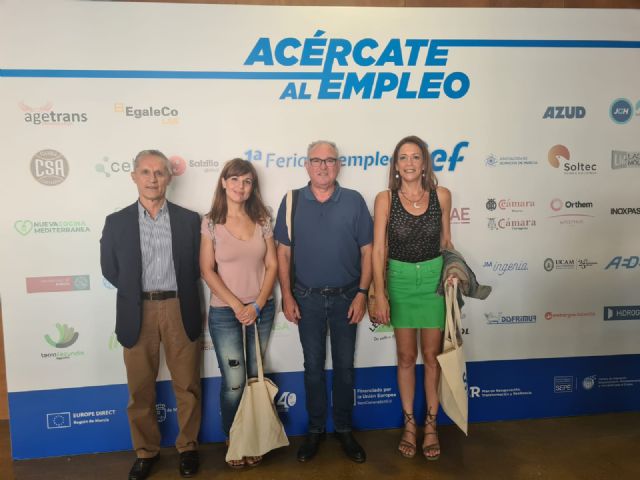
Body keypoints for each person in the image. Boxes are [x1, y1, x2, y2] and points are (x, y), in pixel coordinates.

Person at [100, 150, 202, 480]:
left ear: (169, 178)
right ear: (134, 176)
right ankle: (146, 452)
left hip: (179, 307)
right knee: (140, 388)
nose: (153, 178)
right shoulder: (116, 222)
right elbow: (110, 269)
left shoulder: (190, 220)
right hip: (137, 310)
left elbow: (197, 267)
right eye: (145, 172)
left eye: (159, 172)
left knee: (187, 384)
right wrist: (136, 291)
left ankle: (188, 447)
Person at [274, 140, 373, 464]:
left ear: (338, 165)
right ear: (307, 165)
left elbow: (368, 252)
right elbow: (283, 253)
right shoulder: (291, 201)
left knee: (344, 368)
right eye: (316, 160)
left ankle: (343, 429)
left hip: (347, 297)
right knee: (313, 369)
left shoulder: (354, 201)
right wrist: (287, 295)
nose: (323, 166)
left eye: (329, 160)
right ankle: (315, 430)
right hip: (307, 299)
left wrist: (362, 293)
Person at [371, 135, 453, 461]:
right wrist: (380, 294)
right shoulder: (385, 199)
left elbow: (446, 242)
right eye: (403, 157)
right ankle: (409, 425)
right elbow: (379, 250)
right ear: (396, 164)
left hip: (433, 281)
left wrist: (454, 271)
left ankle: (431, 426)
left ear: (424, 163)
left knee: (432, 357)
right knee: (406, 357)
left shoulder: (442, 196)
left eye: (415, 157)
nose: (409, 163)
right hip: (400, 281)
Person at [200, 158, 278, 468]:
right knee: (234, 381)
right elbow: (207, 270)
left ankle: (254, 438)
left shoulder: (263, 219)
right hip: (225, 313)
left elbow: (272, 264)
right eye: (234, 180)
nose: (240, 186)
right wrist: (237, 306)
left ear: (252, 186)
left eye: (246, 181)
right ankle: (234, 437)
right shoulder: (210, 222)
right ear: (223, 182)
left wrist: (256, 305)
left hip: (261, 310)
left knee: (254, 377)